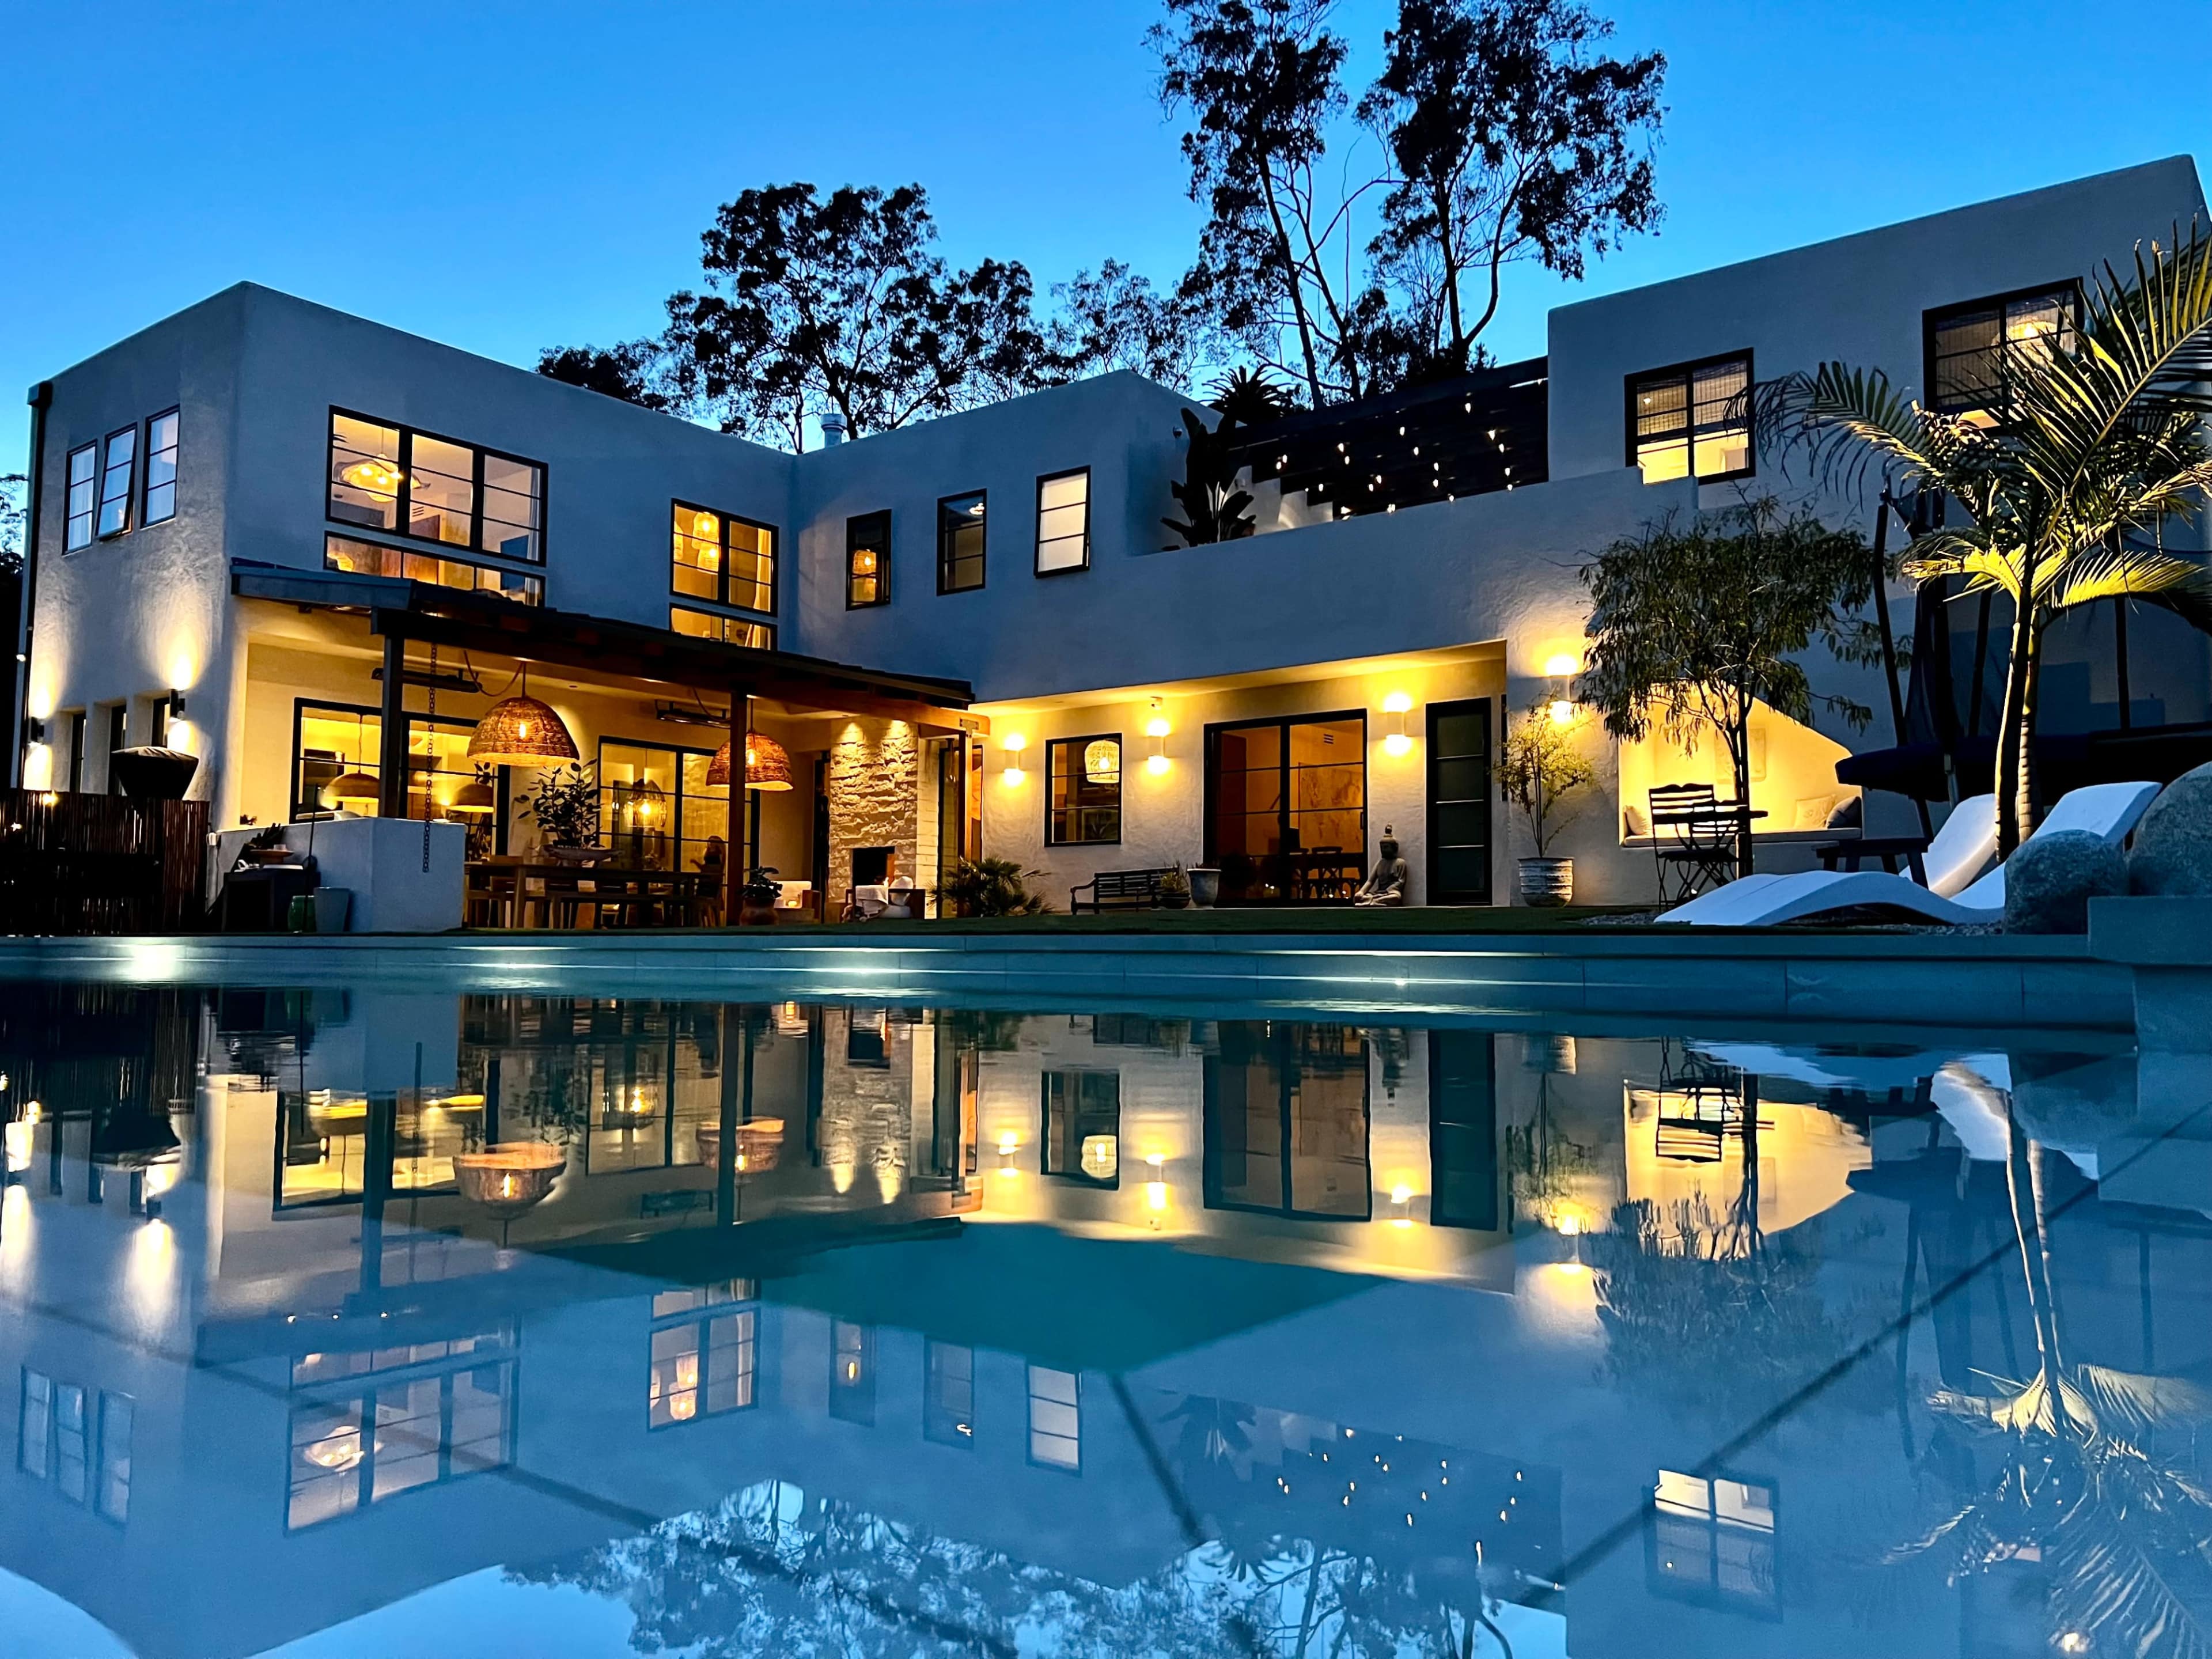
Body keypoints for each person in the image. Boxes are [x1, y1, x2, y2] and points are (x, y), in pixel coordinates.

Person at [1354, 825, 1410, 907]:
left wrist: (1388, 891)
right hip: (1379, 893)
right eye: (1382, 848)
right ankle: (1374, 901)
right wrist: (1361, 892)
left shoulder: (1400, 863)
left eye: (1386, 847)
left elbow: (1401, 882)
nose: (1384, 850)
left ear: (1394, 848)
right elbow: (1370, 881)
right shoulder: (1380, 863)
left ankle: (1373, 902)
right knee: (1357, 898)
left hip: (1391, 892)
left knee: (1396, 898)